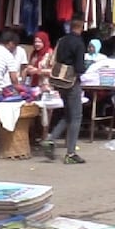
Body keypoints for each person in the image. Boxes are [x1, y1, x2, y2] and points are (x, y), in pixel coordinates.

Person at [42, 15, 88, 165]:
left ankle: (50, 139)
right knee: (76, 117)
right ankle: (71, 153)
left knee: (68, 114)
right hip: (71, 82)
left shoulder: (62, 40)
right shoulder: (79, 43)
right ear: (80, 27)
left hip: (59, 81)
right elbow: (80, 67)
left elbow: (55, 59)